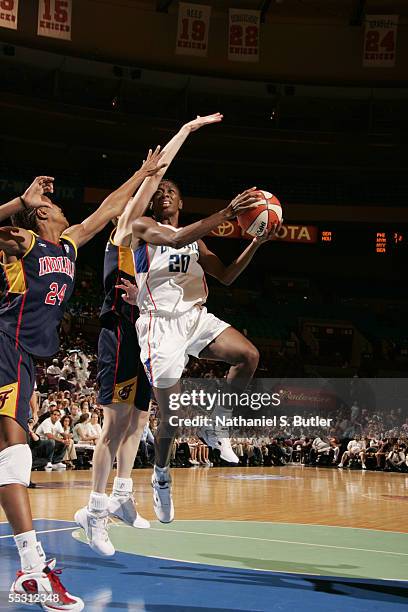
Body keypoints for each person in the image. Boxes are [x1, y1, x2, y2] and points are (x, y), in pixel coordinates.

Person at [0, 149, 164, 609]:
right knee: (14, 456)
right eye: (46, 202)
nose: (54, 201)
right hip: (5, 346)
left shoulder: (68, 243)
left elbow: (110, 208)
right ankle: (32, 572)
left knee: (12, 456)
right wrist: (18, 200)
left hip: (25, 358)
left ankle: (32, 572)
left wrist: (143, 174)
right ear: (39, 216)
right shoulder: (22, 242)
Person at [75, 113, 222, 556]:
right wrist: (182, 134)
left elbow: (158, 182)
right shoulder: (123, 232)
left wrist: (187, 132)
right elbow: (150, 180)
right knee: (115, 424)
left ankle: (122, 494)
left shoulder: (153, 244)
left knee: (141, 419)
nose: (151, 198)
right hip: (117, 332)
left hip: (145, 331)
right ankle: (93, 510)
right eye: (146, 197)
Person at [128, 179, 280, 522]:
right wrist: (228, 212)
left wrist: (255, 242)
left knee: (249, 355)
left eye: (170, 190)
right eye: (159, 191)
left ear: (181, 200)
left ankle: (217, 422)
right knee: (173, 416)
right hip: (159, 325)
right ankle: (161, 476)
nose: (164, 193)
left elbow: (225, 276)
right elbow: (174, 238)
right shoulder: (144, 226)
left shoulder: (196, 239)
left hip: (194, 318)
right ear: (152, 203)